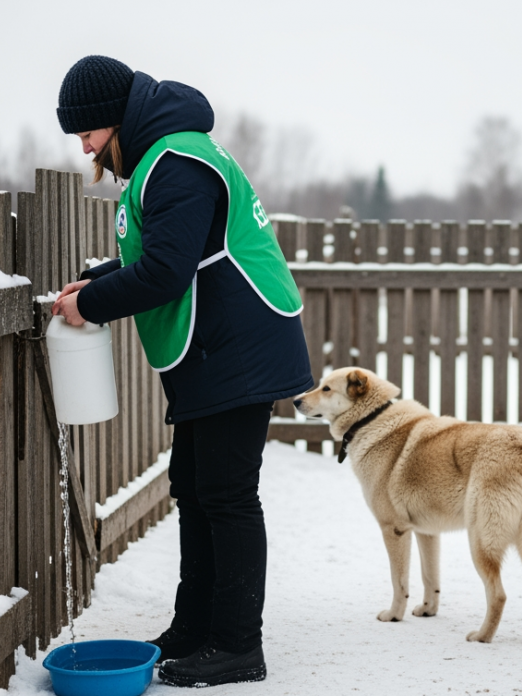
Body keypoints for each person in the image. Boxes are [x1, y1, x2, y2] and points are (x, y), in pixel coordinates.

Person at [51, 55, 314, 688]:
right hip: (217, 344)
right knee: (194, 488)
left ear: (115, 119)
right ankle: (195, 628)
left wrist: (92, 304)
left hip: (239, 345)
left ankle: (237, 646)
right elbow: (170, 252)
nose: (84, 147)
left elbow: (167, 272)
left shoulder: (176, 162)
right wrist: (97, 281)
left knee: (226, 493)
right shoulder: (163, 158)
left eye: (87, 132)